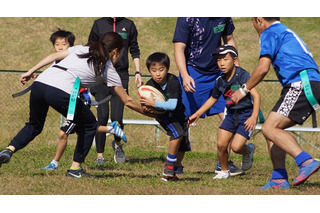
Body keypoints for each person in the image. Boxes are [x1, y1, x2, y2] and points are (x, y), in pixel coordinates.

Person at [0, 32, 145, 178]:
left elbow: (54, 56)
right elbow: (127, 100)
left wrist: (30, 70)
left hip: (39, 84)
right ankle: (75, 169)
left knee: (34, 125)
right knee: (89, 125)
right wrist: (151, 113)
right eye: (120, 53)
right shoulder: (108, 68)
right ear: (115, 51)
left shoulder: (82, 48)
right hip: (60, 90)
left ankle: (9, 149)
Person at [231, 17, 320, 188]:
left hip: (301, 83)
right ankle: (279, 178)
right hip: (308, 82)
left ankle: (305, 161)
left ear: (259, 19)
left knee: (269, 128)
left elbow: (263, 68)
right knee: (272, 130)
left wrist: (243, 90)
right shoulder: (284, 31)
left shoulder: (269, 32)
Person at [173, 17, 243, 176]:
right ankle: (175, 165)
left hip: (218, 74)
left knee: (228, 116)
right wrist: (184, 75)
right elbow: (179, 48)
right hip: (193, 73)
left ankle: (223, 164)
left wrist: (236, 70)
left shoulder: (223, 15)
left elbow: (229, 40)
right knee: (183, 120)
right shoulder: (187, 17)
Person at [189, 44, 258, 179]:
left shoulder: (243, 75)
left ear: (235, 60)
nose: (222, 63)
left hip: (246, 115)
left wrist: (254, 116)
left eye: (225, 59)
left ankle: (248, 151)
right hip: (231, 114)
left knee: (236, 147)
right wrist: (197, 114)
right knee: (221, 144)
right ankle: (224, 171)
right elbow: (213, 99)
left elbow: (256, 96)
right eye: (219, 60)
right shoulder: (219, 80)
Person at [88, 17, 143, 165]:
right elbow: (90, 48)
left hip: (120, 75)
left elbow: (134, 49)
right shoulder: (98, 24)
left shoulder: (128, 24)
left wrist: (138, 72)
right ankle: (100, 155)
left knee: (117, 117)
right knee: (102, 116)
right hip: (100, 75)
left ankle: (117, 145)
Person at [140, 52, 191, 181]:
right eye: (154, 70)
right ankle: (169, 166)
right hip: (164, 115)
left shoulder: (173, 81)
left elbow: (173, 105)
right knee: (177, 134)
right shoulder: (149, 85)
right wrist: (148, 106)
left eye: (161, 70)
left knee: (183, 145)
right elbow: (146, 104)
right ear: (149, 71)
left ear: (167, 69)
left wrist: (153, 103)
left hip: (179, 114)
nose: (158, 74)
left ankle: (171, 172)